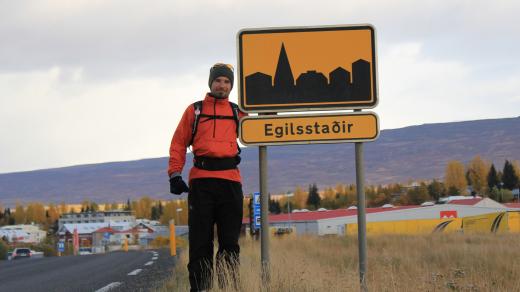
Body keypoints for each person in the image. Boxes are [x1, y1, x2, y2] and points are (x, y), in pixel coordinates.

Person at [168, 63, 246, 292]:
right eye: (218, 81)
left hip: (231, 182)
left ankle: (228, 287)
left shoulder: (237, 112)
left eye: (227, 81)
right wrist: (174, 174)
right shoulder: (195, 110)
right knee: (200, 243)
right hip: (201, 183)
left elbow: (262, 127)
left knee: (229, 243)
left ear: (231, 85)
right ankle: (201, 289)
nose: (222, 85)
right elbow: (178, 143)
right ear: (210, 83)